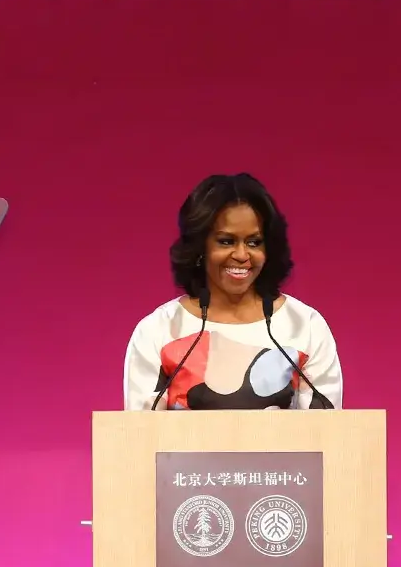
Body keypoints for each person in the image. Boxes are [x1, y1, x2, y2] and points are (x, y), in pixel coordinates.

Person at [122, 173, 344, 410]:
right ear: (200, 247)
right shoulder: (160, 330)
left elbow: (326, 433)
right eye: (226, 241)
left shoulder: (305, 326)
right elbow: (139, 435)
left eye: (254, 242)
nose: (241, 255)